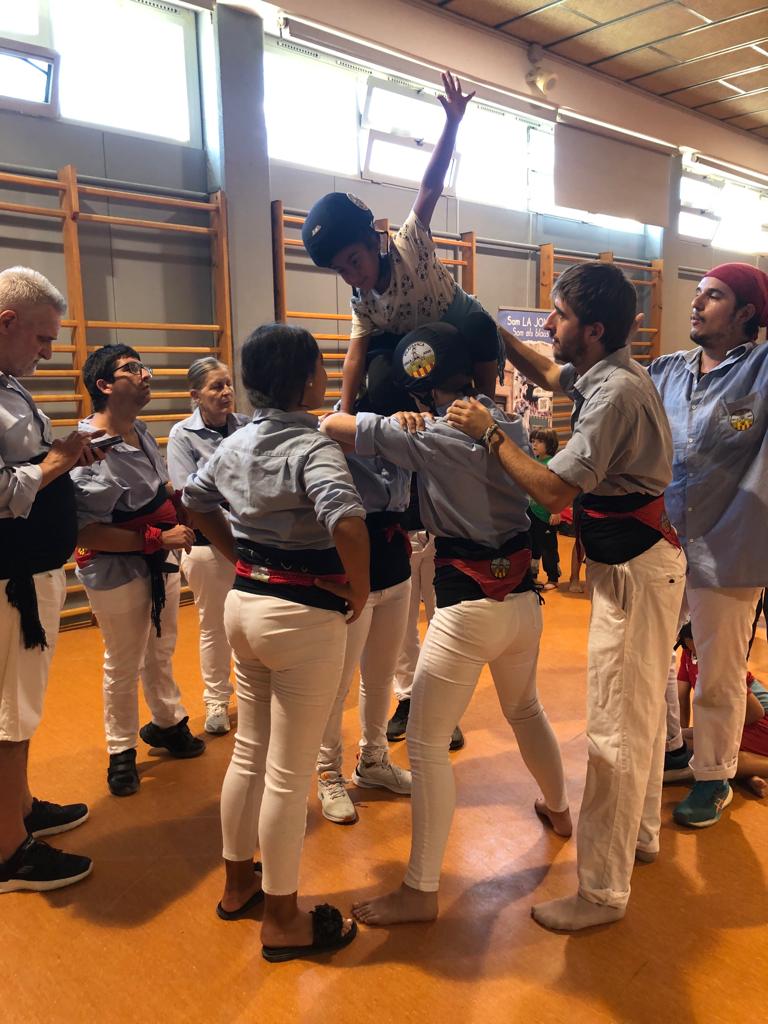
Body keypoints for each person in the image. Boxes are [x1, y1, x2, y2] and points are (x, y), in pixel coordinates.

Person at [447, 262, 686, 932]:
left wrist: (489, 432)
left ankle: (602, 893)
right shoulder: (606, 371)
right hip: (639, 565)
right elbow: (552, 374)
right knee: (639, 717)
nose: (548, 325)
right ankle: (639, 836)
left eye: (558, 315)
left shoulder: (615, 396)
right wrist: (491, 330)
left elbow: (553, 491)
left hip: (637, 573)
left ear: (595, 329)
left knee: (614, 731)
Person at [321, 316, 570, 927]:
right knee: (526, 709)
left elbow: (332, 425)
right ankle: (561, 810)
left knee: (427, 743)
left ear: (419, 386)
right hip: (522, 602)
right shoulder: (507, 424)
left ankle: (421, 889)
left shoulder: (431, 433)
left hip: (466, 609)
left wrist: (395, 415)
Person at [182, 323, 369, 963]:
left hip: (244, 605)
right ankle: (284, 919)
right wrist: (359, 588)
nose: (325, 376)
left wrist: (236, 554)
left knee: (249, 755)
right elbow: (347, 523)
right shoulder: (313, 446)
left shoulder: (233, 442)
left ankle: (239, 886)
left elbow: (193, 500)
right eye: (319, 367)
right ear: (306, 379)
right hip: (302, 618)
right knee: (288, 775)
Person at [301, 71, 501, 413]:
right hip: (415, 345)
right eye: (341, 270)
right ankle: (405, 426)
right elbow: (354, 358)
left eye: (354, 260)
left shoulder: (409, 243)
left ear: (372, 241)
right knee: (378, 373)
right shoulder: (362, 299)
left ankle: (487, 407)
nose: (352, 275)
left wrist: (452, 123)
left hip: (457, 328)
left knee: (481, 325)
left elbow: (430, 187)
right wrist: (345, 416)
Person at [649, 263, 768, 828]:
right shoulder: (666, 371)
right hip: (662, 544)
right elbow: (576, 378)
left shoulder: (761, 369)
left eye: (714, 296)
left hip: (730, 548)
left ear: (746, 313)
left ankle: (715, 776)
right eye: (697, 293)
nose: (696, 304)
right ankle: (673, 748)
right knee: (648, 659)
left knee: (719, 673)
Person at [0, 266, 96, 893]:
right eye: (41, 338)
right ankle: (9, 852)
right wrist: (58, 461)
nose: (48, 351)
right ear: (6, 322)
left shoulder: (8, 384)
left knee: (22, 707)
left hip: (31, 570)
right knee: (10, 715)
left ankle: (20, 808)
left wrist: (65, 457)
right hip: (11, 580)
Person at [71, 345, 205, 798]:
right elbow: (87, 532)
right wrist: (156, 539)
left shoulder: (139, 430)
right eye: (132, 369)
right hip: (117, 566)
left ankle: (167, 722)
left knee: (161, 647)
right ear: (104, 385)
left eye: (144, 367)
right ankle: (121, 749)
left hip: (159, 555)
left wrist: (181, 505)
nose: (145, 375)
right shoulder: (89, 447)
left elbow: (158, 488)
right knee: (124, 660)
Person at [315, 449, 413, 824]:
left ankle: (373, 759)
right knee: (337, 683)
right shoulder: (332, 435)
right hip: (351, 576)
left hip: (396, 572)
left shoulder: (399, 434)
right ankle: (328, 771)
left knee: (381, 677)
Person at [167, 358, 249, 735]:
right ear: (195, 395)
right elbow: (189, 494)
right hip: (206, 545)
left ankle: (252, 697)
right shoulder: (182, 435)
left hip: (250, 540)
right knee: (214, 625)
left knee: (249, 622)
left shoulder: (247, 426)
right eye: (216, 386)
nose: (226, 392)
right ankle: (216, 699)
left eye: (228, 384)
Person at [674, 622, 768, 799]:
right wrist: (681, 737)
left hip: (758, 723)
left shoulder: (721, 660)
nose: (696, 655)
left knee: (712, 756)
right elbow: (681, 696)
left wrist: (692, 737)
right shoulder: (688, 654)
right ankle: (750, 775)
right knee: (689, 743)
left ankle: (752, 769)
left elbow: (756, 713)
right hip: (738, 722)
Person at [528, 428, 561, 591]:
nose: (534, 444)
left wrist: (556, 511)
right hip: (532, 511)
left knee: (548, 547)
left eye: (539, 441)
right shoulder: (533, 462)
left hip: (546, 514)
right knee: (532, 545)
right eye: (533, 441)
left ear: (550, 444)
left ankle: (553, 577)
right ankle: (532, 575)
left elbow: (558, 490)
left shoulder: (554, 464)